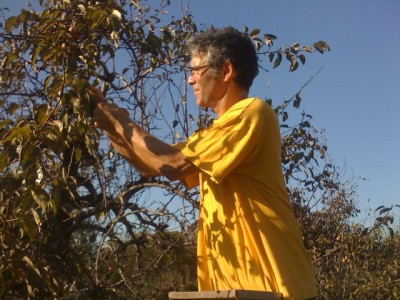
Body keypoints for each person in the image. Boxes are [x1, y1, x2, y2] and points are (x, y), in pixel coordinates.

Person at [89, 27, 318, 299]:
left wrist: (118, 119)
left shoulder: (253, 112)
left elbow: (172, 164)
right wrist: (106, 124)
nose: (190, 79)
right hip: (232, 291)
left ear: (226, 71)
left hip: (278, 289)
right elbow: (151, 164)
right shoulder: (213, 135)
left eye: (196, 69)